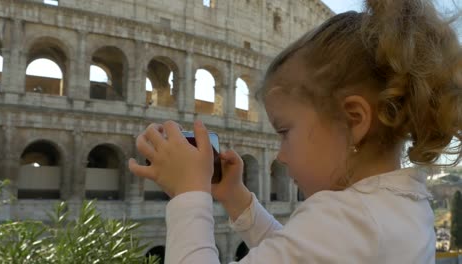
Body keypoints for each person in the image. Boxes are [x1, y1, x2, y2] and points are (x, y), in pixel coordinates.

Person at [129, 0, 462, 262]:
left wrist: (189, 194)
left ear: (353, 120)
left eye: (285, 131)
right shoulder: (403, 207)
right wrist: (238, 200)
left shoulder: (347, 219)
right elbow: (295, 252)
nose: (281, 155)